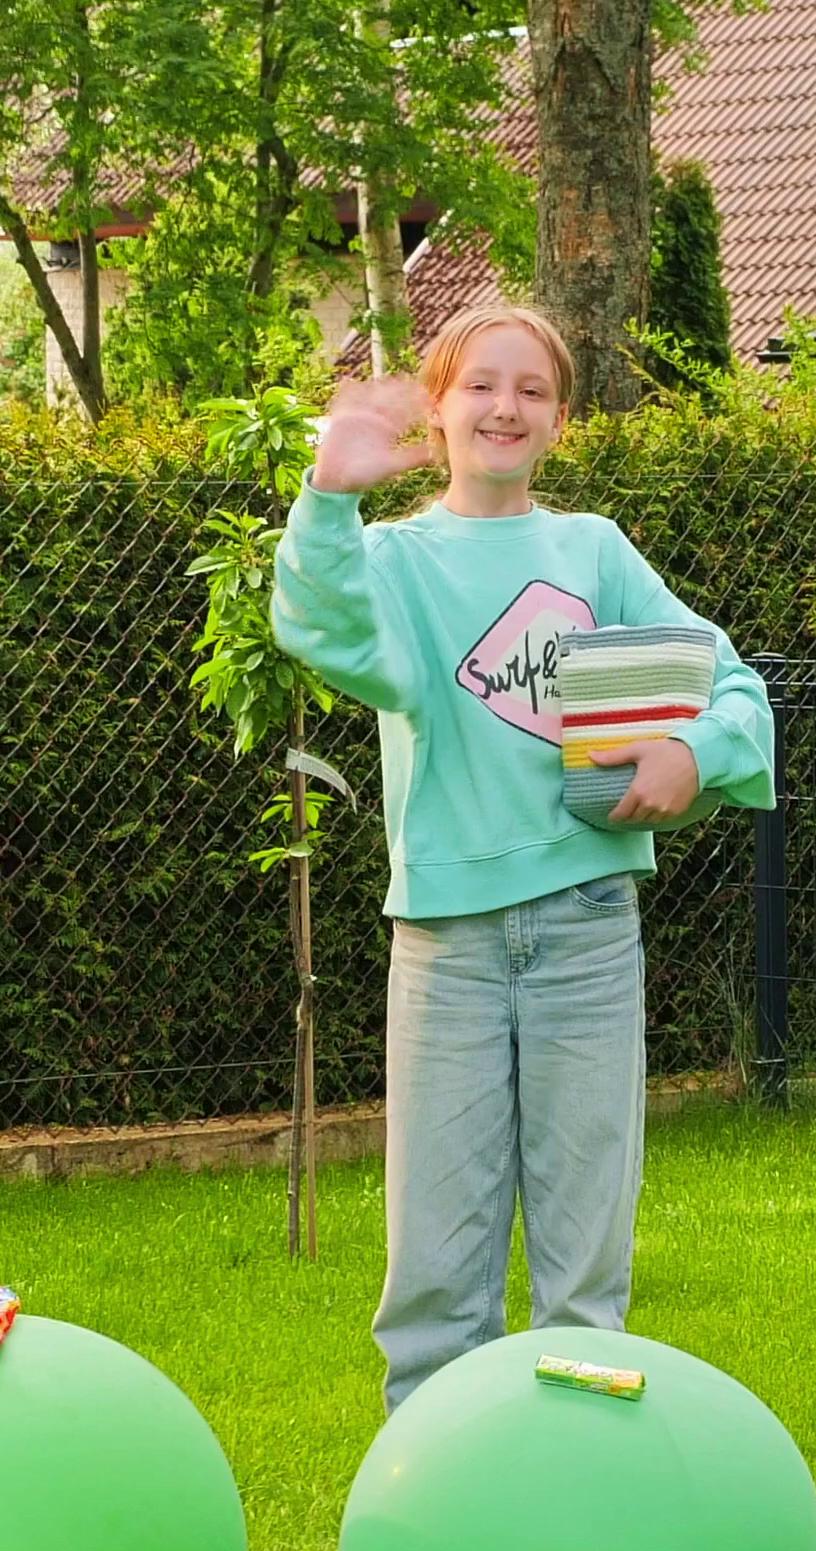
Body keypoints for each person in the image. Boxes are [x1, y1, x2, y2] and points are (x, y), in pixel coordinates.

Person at [271, 302, 775, 1414]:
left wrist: (692, 750)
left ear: (558, 421)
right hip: (446, 946)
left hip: (589, 932)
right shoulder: (391, 562)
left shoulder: (592, 551)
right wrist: (330, 493)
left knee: (584, 1275)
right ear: (441, 409)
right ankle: (434, 1515)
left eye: (533, 390)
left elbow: (731, 685)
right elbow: (321, 625)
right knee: (436, 1276)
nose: (505, 406)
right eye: (480, 386)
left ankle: (575, 1503)